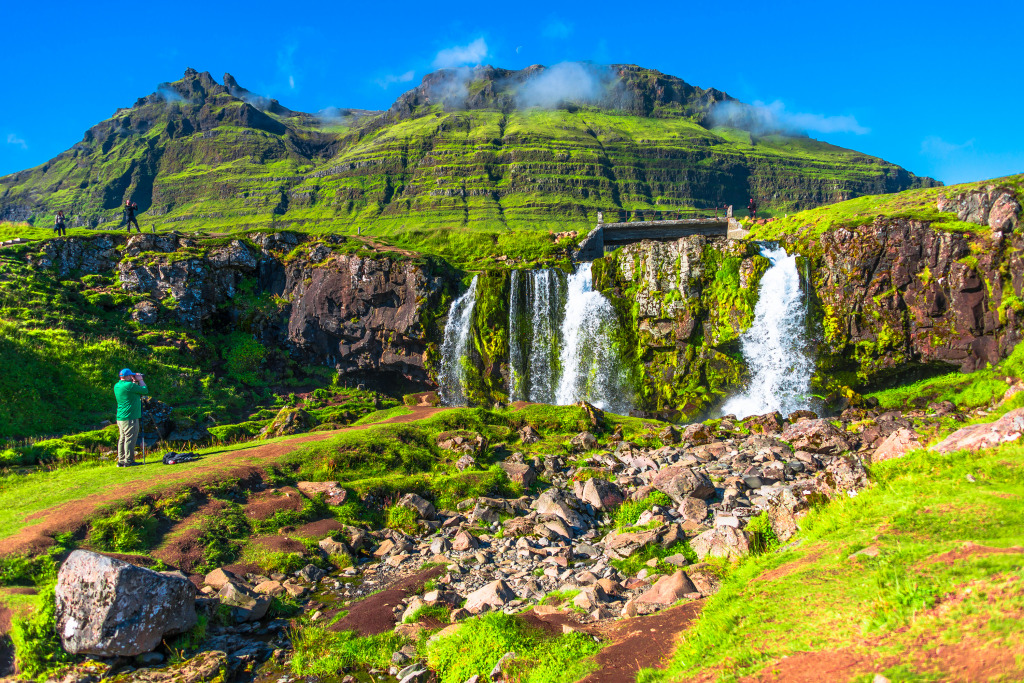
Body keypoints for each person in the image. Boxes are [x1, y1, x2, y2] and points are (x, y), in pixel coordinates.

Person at [114, 368, 149, 467]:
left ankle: (121, 460)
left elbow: (133, 391)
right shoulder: (129, 385)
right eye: (131, 375)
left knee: (122, 438)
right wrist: (140, 380)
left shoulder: (117, 385)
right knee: (130, 439)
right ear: (128, 376)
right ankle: (129, 461)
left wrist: (134, 381)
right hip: (130, 417)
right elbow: (144, 390)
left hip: (121, 417)